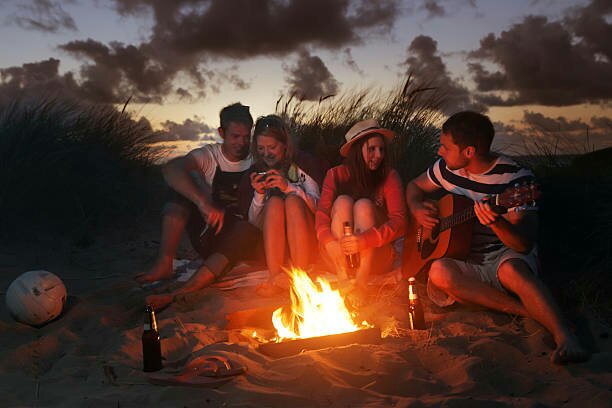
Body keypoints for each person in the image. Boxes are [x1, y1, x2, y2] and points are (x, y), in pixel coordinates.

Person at [405, 111, 588, 364]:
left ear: (469, 151)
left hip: (504, 253)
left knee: (512, 271)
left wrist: (497, 222)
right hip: (467, 256)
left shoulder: (516, 181)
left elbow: (523, 245)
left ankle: (565, 336)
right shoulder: (446, 170)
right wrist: (416, 208)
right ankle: (525, 311)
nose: (439, 152)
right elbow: (413, 187)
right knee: (439, 272)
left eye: (445, 147)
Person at [137, 103, 262, 309]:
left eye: (246, 136)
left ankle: (185, 289)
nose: (242, 142)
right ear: (222, 132)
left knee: (244, 230)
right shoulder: (210, 156)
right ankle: (164, 262)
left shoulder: (255, 157)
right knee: (179, 192)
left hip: (242, 236)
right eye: (235, 136)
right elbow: (172, 169)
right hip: (211, 232)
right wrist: (202, 201)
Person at [315, 119, 407, 294]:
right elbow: (321, 215)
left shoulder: (389, 176)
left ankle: (362, 280)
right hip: (337, 254)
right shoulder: (335, 174)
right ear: (357, 151)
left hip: (376, 258)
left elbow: (399, 221)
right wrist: (328, 241)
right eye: (372, 149)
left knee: (364, 206)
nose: (379, 155)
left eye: (381, 149)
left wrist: (365, 240)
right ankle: (343, 277)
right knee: (342, 202)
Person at [239, 115, 325, 295]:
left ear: (285, 144)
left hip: (305, 239)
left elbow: (319, 208)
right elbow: (253, 223)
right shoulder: (255, 172)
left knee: (292, 200)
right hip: (273, 246)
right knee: (275, 202)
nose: (266, 153)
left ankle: (300, 277)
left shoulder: (303, 164)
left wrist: (289, 187)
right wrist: (259, 194)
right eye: (261, 148)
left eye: (272, 147)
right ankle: (275, 277)